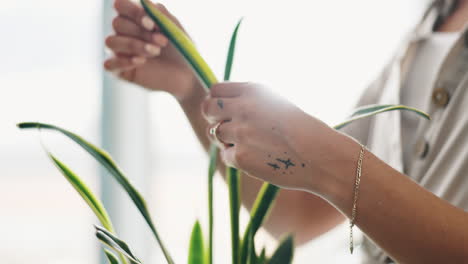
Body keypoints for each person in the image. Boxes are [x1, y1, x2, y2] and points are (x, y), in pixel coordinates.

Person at [104, 0, 468, 262]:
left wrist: (325, 158)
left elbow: (330, 174)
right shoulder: (427, 27)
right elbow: (297, 217)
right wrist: (192, 89)